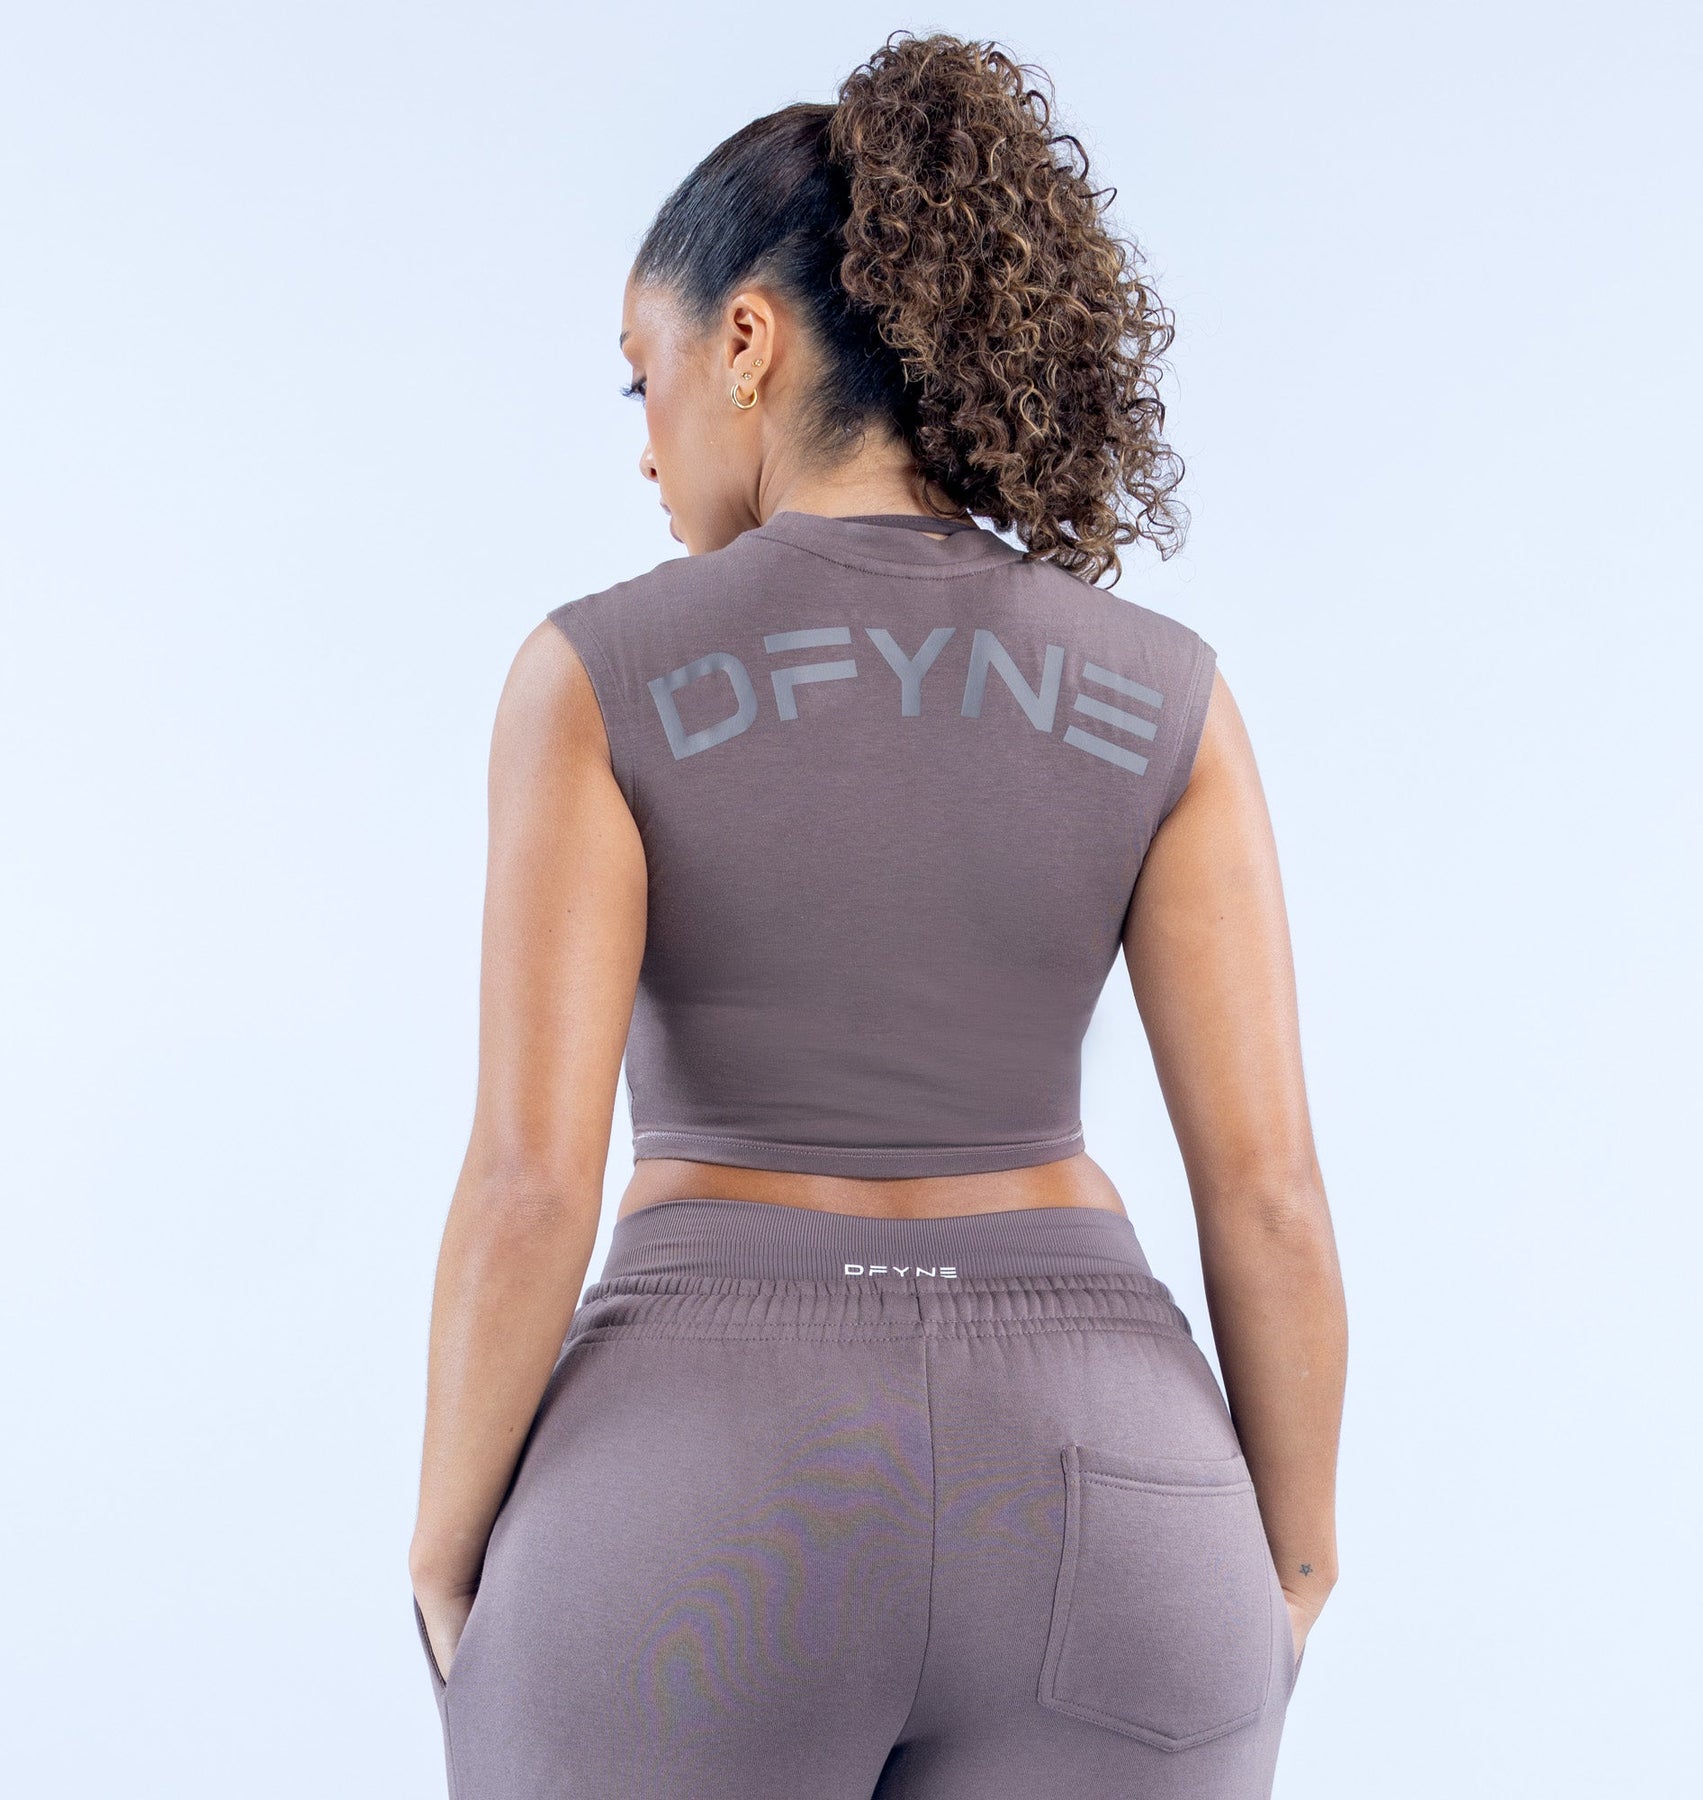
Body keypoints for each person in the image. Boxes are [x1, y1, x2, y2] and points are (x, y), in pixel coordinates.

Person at [408, 29, 1346, 1800]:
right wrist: (1287, 1564)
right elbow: (1272, 1199)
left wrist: (446, 1557)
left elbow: (530, 1185)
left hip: (698, 1495)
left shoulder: (598, 675)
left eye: (643, 378)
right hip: (1116, 1506)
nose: (645, 450)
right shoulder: (1166, 692)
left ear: (745, 343)